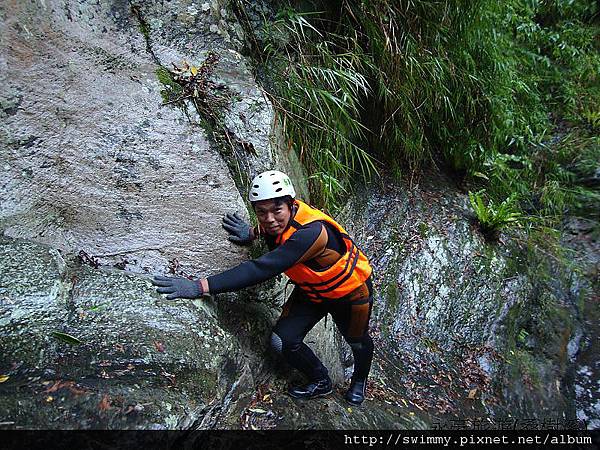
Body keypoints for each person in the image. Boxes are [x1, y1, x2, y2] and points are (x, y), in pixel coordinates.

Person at [152, 170, 375, 405]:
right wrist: (251, 233)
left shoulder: (312, 233)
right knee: (283, 342)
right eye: (261, 211)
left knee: (356, 340)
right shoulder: (278, 223)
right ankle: (321, 381)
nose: (269, 218)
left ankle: (359, 381)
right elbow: (275, 228)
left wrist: (200, 287)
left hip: (350, 293)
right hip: (312, 292)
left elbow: (261, 268)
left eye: (276, 210)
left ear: (291, 204)